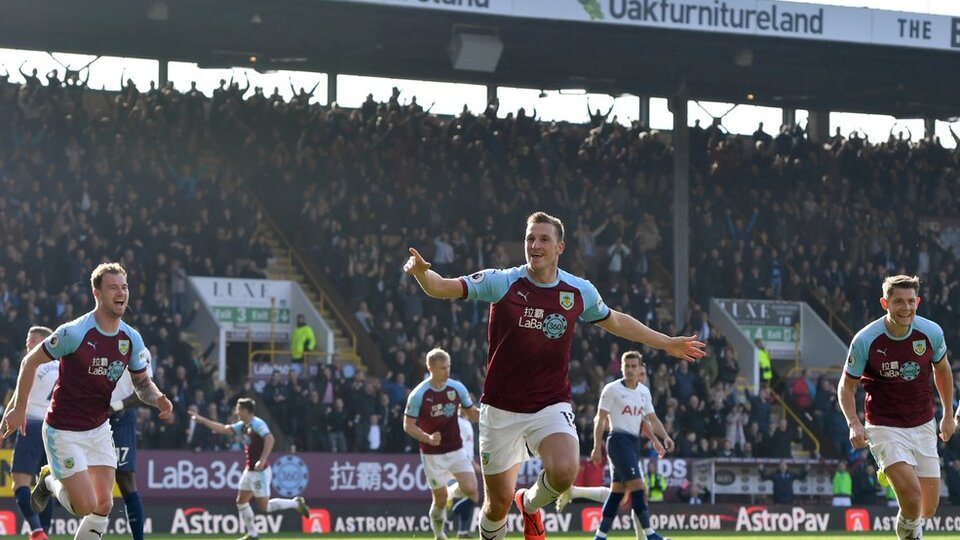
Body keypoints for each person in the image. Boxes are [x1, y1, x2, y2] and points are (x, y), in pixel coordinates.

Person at [403, 211, 706, 540]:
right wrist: (422, 274)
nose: (535, 244)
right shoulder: (503, 281)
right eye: (530, 238)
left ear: (560, 247)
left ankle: (530, 504)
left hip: (550, 404)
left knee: (564, 471)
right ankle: (513, 506)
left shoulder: (577, 291)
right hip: (500, 409)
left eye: (543, 239)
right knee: (495, 506)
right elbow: (441, 287)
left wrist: (667, 343)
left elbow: (617, 321)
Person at [0, 263, 173, 540]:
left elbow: (142, 384)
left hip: (99, 429)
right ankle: (48, 481)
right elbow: (29, 361)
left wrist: (158, 398)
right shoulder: (75, 333)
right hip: (63, 430)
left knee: (103, 505)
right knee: (85, 505)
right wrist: (19, 409)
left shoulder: (131, 338)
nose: (121, 293)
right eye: (113, 287)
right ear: (97, 293)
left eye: (124, 287)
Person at [839, 275, 955, 540]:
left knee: (927, 507)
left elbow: (943, 371)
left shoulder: (931, 332)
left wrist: (948, 415)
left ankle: (909, 521)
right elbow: (846, 386)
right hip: (883, 425)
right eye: (898, 302)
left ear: (918, 302)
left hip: (923, 422)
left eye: (911, 301)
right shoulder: (866, 339)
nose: (906, 308)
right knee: (912, 498)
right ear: (885, 303)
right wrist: (854, 423)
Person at [190, 398, 309, 540]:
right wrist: (202, 420)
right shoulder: (243, 426)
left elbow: (270, 439)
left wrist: (263, 459)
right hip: (249, 471)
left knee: (263, 507)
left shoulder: (257, 424)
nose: (236, 412)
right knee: (241, 501)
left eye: (238, 409)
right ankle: (252, 534)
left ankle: (296, 503)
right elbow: (223, 428)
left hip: (260, 472)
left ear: (246, 411)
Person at [589, 350, 673, 540]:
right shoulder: (611, 389)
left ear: (640, 368)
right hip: (617, 441)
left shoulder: (643, 392)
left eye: (634, 366)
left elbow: (651, 419)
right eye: (627, 366)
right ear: (621, 367)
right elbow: (600, 419)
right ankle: (650, 535)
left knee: (617, 491)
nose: (630, 369)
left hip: (632, 443)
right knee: (639, 487)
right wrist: (596, 446)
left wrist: (664, 437)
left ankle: (600, 536)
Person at [403, 348, 480, 540]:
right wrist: (427, 438)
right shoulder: (418, 394)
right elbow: (408, 426)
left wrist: (493, 415)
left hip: (456, 449)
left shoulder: (457, 388)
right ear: (430, 368)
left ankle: (452, 492)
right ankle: (439, 534)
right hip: (431, 454)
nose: (446, 372)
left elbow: (472, 414)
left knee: (471, 489)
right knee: (440, 500)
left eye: (448, 367)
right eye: (442, 368)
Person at [9, 327, 58, 540]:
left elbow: (17, 400)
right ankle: (44, 532)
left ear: (45, 341)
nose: (28, 344)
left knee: (20, 482)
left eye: (32, 340)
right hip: (55, 430)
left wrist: (3, 426)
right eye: (27, 340)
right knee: (45, 485)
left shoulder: (32, 364)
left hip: (31, 426)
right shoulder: (63, 366)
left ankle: (37, 531)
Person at [107, 347, 156, 540]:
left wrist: (117, 406)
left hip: (121, 419)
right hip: (92, 416)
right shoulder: (92, 340)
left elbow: (145, 388)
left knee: (125, 479)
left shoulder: (139, 349)